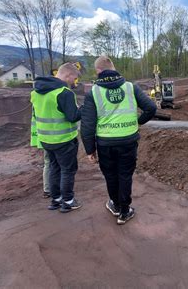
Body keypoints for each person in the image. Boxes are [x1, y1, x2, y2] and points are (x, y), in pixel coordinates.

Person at [81, 56, 156, 225]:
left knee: (110, 175)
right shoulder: (130, 87)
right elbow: (151, 108)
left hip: (105, 144)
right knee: (125, 175)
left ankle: (115, 205)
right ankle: (124, 211)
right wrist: (138, 121)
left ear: (98, 72)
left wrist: (89, 149)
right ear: (114, 68)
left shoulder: (93, 92)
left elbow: (87, 125)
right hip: (128, 142)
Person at [30, 63, 82, 213]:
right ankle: (68, 201)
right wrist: (84, 109)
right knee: (67, 171)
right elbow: (73, 117)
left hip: (46, 140)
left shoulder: (36, 92)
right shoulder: (64, 93)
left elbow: (36, 114)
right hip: (64, 139)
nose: (75, 81)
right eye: (74, 78)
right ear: (67, 75)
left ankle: (56, 200)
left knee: (54, 168)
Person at [30, 114, 51, 197]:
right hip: (56, 138)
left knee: (48, 163)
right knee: (59, 164)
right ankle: (56, 189)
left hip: (43, 137)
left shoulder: (36, 101)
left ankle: (47, 189)